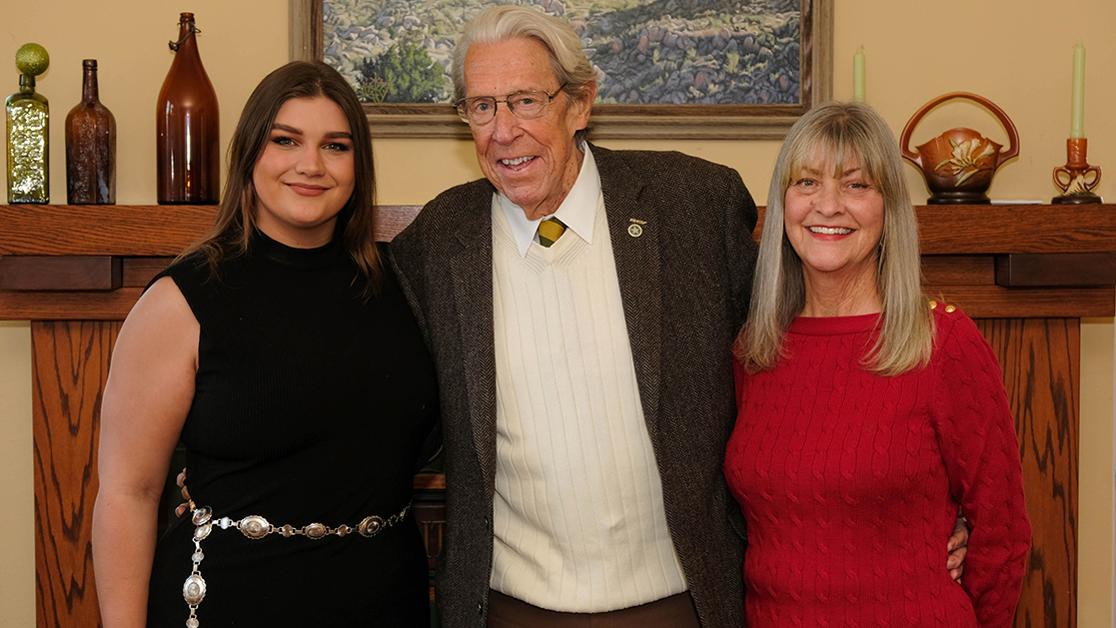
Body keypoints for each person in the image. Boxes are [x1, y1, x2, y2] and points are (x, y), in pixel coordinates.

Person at [390, 5, 760, 626]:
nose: (503, 131)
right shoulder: (437, 242)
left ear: (580, 104)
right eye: (481, 107)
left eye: (525, 101)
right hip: (509, 605)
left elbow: (789, 369)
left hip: (680, 600)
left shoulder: (695, 207)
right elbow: (390, 412)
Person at [91, 61, 438, 627]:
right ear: (250, 152)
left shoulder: (403, 285)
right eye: (286, 140)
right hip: (229, 602)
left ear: (358, 166)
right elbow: (128, 492)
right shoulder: (181, 301)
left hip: (384, 600)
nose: (311, 165)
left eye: (336, 146)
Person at [725, 101, 1031, 626]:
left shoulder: (943, 342)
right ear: (781, 206)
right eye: (806, 183)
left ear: (889, 208)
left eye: (856, 185)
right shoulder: (753, 350)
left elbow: (1002, 535)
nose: (828, 206)